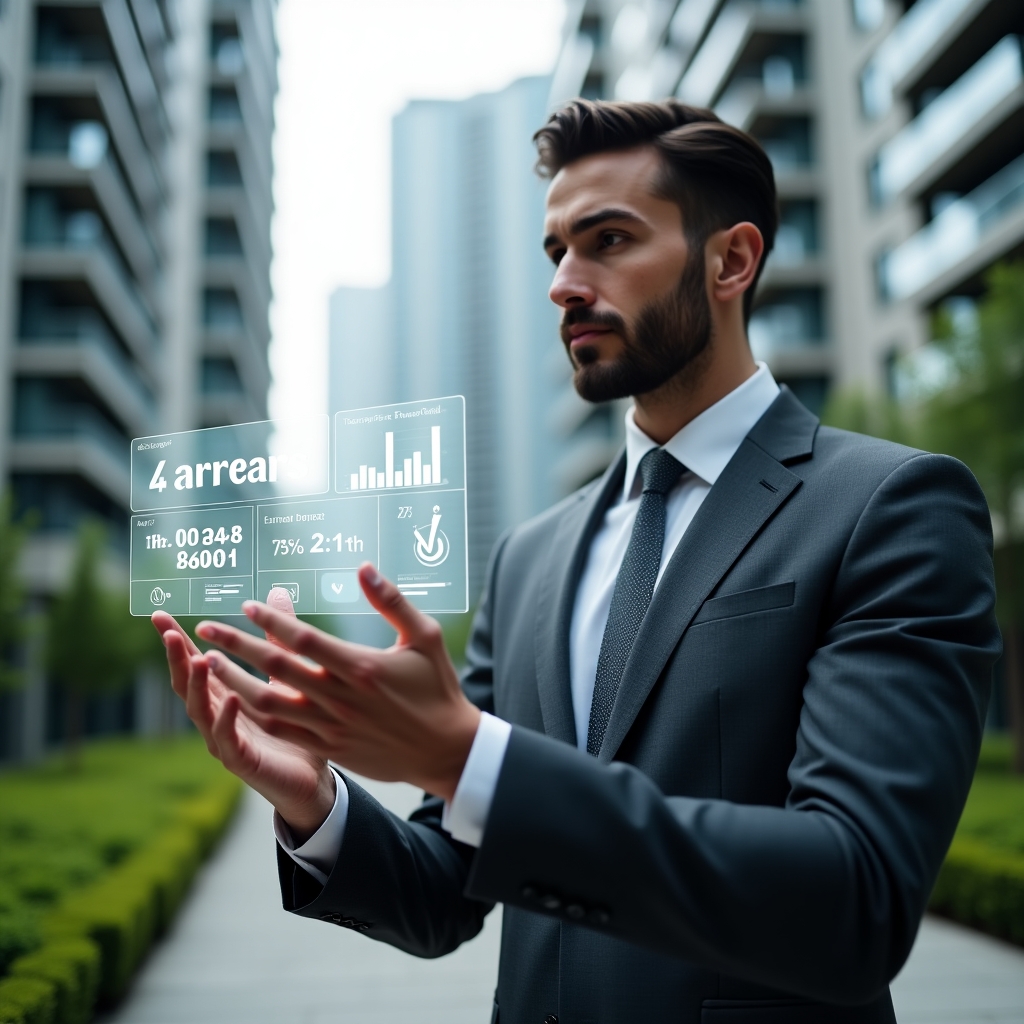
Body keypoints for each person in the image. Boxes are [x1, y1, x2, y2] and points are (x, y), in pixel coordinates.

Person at [154, 100, 1000, 1024]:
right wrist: (318, 806)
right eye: (556, 250)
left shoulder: (890, 506)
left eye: (607, 240)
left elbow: (856, 899)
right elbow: (448, 889)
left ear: (732, 260)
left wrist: (472, 756)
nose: (564, 282)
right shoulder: (531, 558)